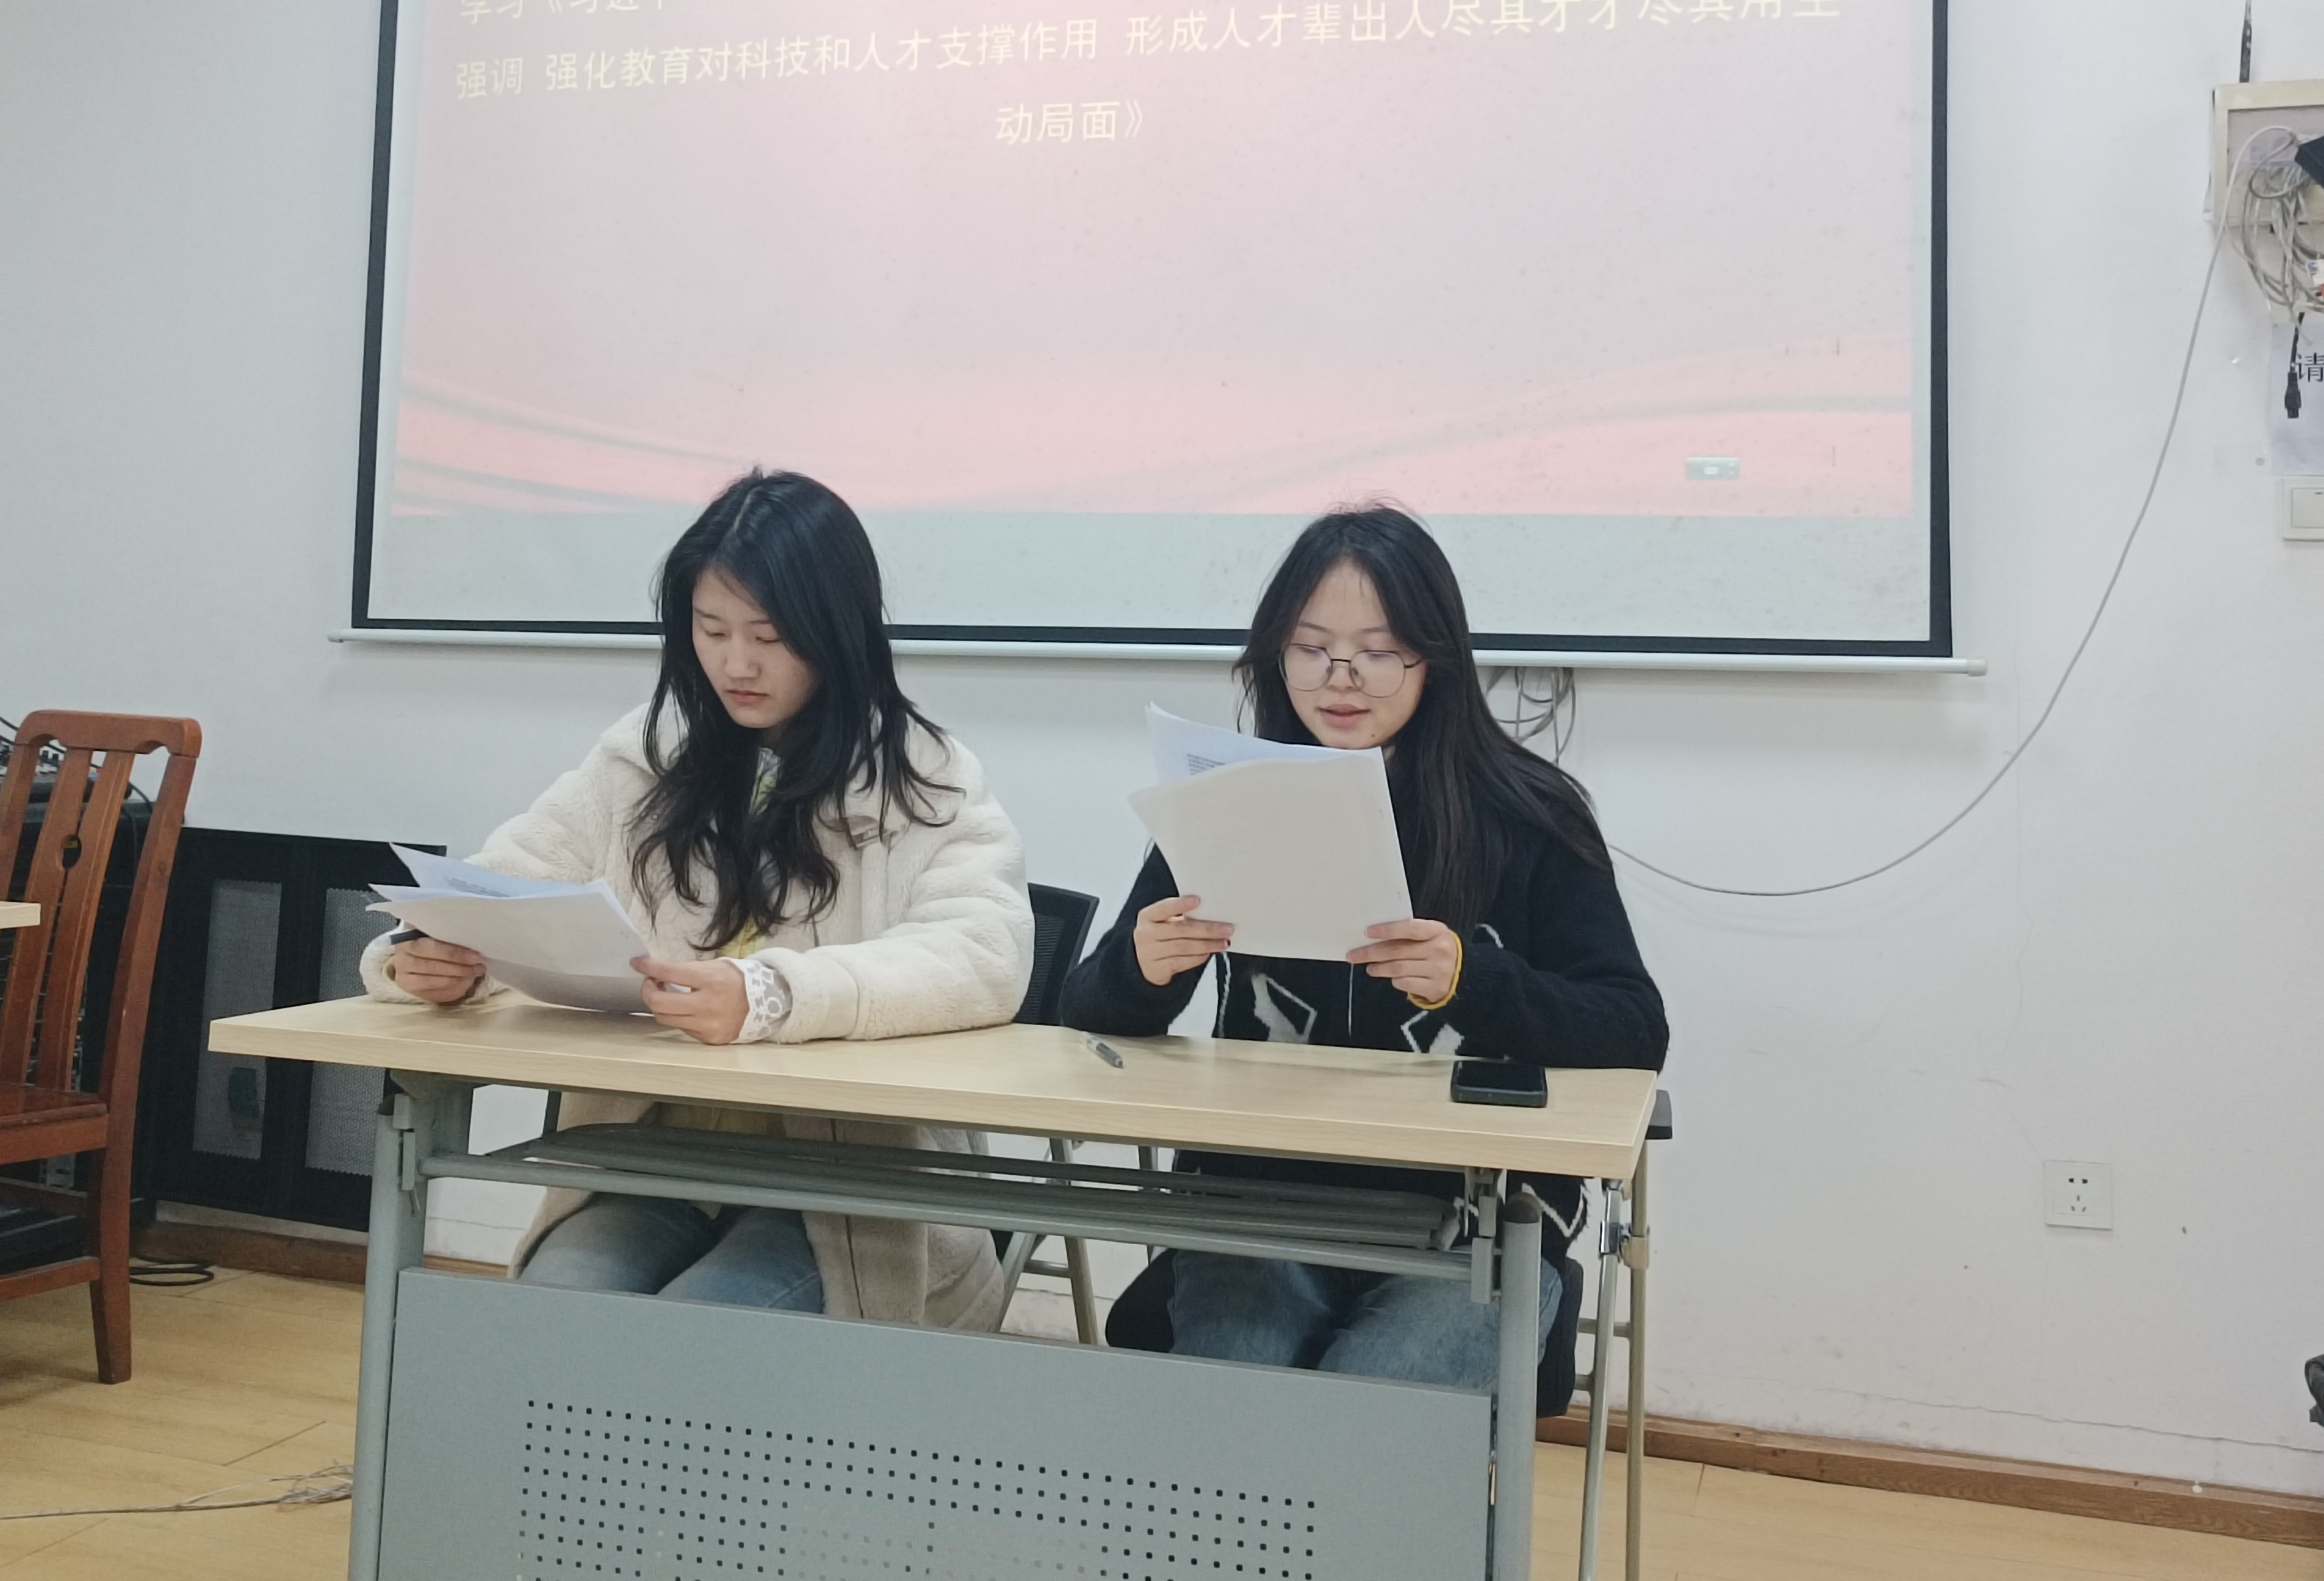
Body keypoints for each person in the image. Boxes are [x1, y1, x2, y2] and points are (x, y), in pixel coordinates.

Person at [363, 469, 1033, 1329]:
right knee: (547, 1319)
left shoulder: (920, 776)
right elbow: (506, 883)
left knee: (693, 1333)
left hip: (843, 1197)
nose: (735, 663)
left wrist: (775, 995)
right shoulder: (648, 756)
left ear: (837, 631)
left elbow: (982, 954)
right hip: (650, 1162)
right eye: (711, 630)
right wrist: (434, 956)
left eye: (769, 636)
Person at [1060, 503, 1666, 1386]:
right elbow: (1089, 1008)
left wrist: (1471, 978)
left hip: (1478, 1216)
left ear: (1435, 660)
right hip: (1263, 1198)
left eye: (1378, 652)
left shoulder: (1527, 815)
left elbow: (1633, 1028)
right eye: (1310, 649)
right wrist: (1140, 967)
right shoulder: (1231, 796)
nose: (1340, 679)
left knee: (1375, 1396)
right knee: (1240, 1377)